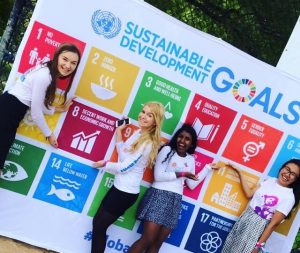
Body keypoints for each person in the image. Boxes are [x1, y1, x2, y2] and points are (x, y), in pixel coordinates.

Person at [129, 123, 219, 253]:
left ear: (192, 144)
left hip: (175, 201)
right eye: (180, 137)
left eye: (187, 139)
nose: (182, 141)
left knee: (157, 244)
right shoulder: (167, 150)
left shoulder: (191, 159)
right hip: (158, 196)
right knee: (147, 239)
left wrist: (207, 168)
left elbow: (192, 184)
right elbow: (158, 176)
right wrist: (181, 174)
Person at [91, 101, 165, 253]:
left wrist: (104, 164)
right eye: (143, 111)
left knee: (99, 227)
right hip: (119, 187)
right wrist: (119, 133)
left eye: (149, 115)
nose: (143, 116)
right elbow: (124, 157)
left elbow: (124, 167)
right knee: (97, 224)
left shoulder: (148, 142)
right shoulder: (139, 133)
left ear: (155, 121)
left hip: (125, 193)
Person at [0, 42, 81, 170]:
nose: (68, 66)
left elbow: (33, 102)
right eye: (65, 59)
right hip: (7, 113)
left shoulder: (45, 70)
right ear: (57, 56)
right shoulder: (45, 76)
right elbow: (36, 112)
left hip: (9, 110)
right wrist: (49, 134)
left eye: (73, 63)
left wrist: (59, 109)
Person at [221, 159, 300, 253]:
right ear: (282, 168)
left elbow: (272, 225)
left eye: (293, 174)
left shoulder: (289, 197)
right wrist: (239, 172)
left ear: (296, 179)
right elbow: (249, 194)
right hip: (245, 219)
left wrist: (257, 247)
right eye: (287, 169)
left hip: (256, 228)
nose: (287, 174)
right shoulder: (269, 181)